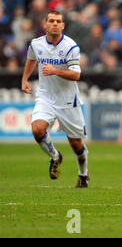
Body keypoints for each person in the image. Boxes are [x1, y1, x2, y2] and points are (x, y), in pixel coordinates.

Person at [21, 10, 89, 188]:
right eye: (51, 20)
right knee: (37, 130)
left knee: (75, 144)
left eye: (58, 21)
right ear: (45, 24)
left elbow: (75, 75)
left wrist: (55, 71)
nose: (55, 24)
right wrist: (24, 79)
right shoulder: (36, 44)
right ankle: (55, 157)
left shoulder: (71, 46)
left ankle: (83, 174)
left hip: (68, 100)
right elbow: (31, 59)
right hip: (45, 96)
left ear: (63, 25)